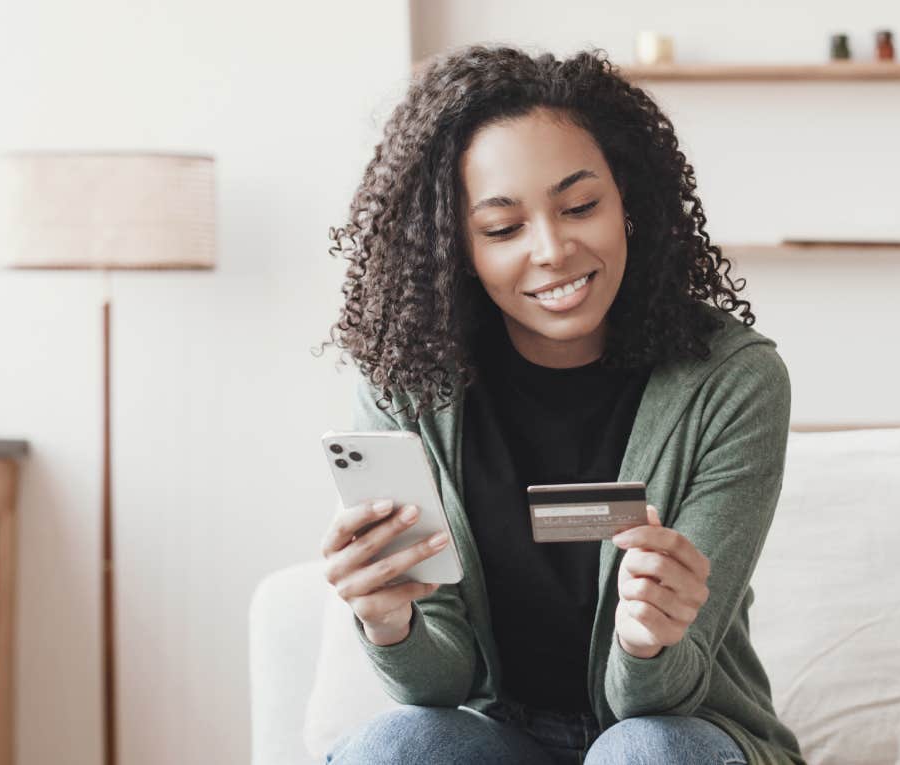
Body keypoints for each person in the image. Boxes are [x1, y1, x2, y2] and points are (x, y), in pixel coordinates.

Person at [317, 44, 803, 765]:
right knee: (400, 744)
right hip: (499, 733)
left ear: (629, 202)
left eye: (580, 206)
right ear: (455, 247)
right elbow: (441, 684)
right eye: (503, 228)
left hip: (680, 727)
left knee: (645, 751)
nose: (552, 249)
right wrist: (390, 624)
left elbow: (659, 699)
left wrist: (647, 639)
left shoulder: (732, 382)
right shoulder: (408, 383)